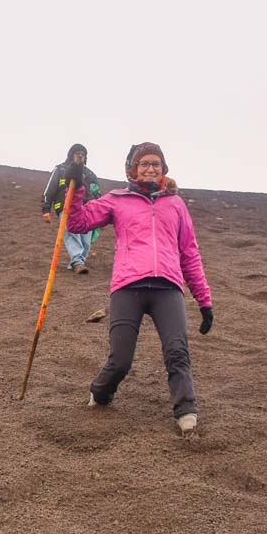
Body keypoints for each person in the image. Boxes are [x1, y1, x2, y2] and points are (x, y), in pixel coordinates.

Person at [65, 142, 213, 435]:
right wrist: (77, 184)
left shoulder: (176, 204)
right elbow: (78, 222)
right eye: (144, 163)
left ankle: (186, 410)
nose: (150, 168)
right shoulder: (117, 199)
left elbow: (189, 253)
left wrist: (204, 300)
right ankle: (101, 392)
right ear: (133, 169)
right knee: (120, 360)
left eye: (156, 163)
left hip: (167, 287)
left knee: (177, 351)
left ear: (164, 168)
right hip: (128, 286)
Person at [41, 143, 100, 273]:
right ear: (71, 155)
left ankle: (78, 262)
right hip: (66, 206)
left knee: (86, 240)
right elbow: (50, 189)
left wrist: (97, 209)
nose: (80, 156)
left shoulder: (89, 174)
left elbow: (96, 192)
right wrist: (46, 209)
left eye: (83, 154)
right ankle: (77, 261)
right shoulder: (61, 169)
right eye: (77, 153)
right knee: (72, 234)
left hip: (87, 208)